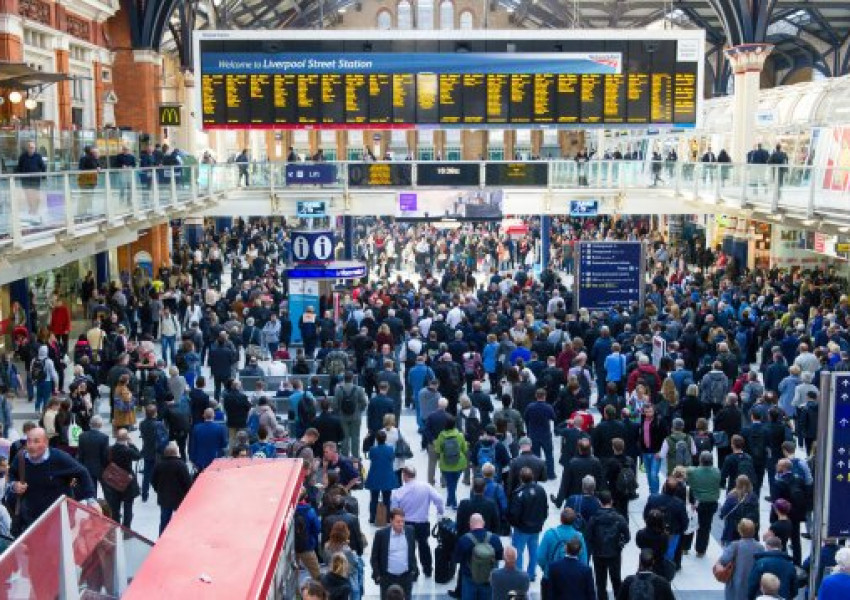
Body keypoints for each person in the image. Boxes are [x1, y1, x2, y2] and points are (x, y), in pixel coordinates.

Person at [390, 465, 444, 577]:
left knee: (409, 548)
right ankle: (428, 569)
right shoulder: (426, 487)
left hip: (407, 523)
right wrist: (440, 512)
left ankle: (413, 571)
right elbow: (438, 499)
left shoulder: (399, 492)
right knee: (424, 545)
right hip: (423, 522)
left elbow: (394, 510)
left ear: (404, 475)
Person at [586, 491, 630, 600]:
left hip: (598, 554)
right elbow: (627, 537)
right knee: (616, 580)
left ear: (599, 502)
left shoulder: (593, 519)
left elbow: (588, 536)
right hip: (614, 554)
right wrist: (620, 543)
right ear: (611, 501)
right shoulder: (619, 518)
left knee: (600, 583)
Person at [537, 508, 588, 599]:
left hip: (550, 578)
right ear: (574, 520)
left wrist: (546, 568)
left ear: (561, 519)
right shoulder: (579, 536)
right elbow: (584, 561)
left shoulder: (549, 534)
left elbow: (540, 557)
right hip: (573, 580)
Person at [508, 467, 548, 580]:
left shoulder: (519, 493)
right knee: (534, 551)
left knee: (518, 552)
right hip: (536, 527)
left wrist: (514, 524)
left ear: (521, 479)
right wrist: (541, 521)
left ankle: (520, 575)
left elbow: (515, 513)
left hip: (522, 529)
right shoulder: (541, 490)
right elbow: (545, 508)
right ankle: (531, 574)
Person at [370, 508, 418, 599]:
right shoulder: (381, 535)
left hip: (406, 577)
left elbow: (412, 552)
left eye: (402, 521)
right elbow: (374, 557)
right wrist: (378, 575)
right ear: (391, 520)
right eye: (398, 522)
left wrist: (414, 570)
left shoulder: (410, 531)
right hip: (387, 578)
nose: (401, 524)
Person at [455, 512, 504, 600]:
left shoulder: (463, 539)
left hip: (469, 578)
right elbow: (500, 557)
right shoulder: (495, 538)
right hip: (488, 578)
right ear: (483, 523)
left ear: (470, 524)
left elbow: (457, 559)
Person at [717, 518, 765, 600]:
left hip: (736, 582)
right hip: (754, 583)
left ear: (740, 530)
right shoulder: (760, 547)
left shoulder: (735, 545)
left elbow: (724, 560)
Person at [103, 428, 142, 528]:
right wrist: (132, 444)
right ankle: (126, 529)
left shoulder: (110, 449)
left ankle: (116, 526)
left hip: (113, 482)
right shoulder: (128, 450)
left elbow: (105, 462)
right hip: (127, 482)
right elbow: (138, 455)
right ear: (126, 438)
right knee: (128, 506)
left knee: (115, 507)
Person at [150, 441, 192, 534]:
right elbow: (187, 483)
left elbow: (153, 480)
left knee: (164, 521)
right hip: (179, 498)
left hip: (164, 498)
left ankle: (162, 538)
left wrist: (159, 490)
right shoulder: (181, 465)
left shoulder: (159, 465)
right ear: (175, 453)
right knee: (180, 520)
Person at [686, 450, 722, 557]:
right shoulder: (717, 472)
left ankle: (685, 548)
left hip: (696, 503)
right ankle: (700, 550)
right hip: (710, 503)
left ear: (700, 460)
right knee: (705, 527)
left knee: (691, 524)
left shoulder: (693, 471)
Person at [747, 535, 797, 600]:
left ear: (767, 546)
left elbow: (752, 584)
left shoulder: (760, 563)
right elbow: (794, 588)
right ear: (781, 547)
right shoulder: (790, 565)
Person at [365, 429, 399, 524]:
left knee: (374, 499)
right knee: (387, 499)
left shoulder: (373, 449)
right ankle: (387, 518)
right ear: (385, 439)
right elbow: (392, 458)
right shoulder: (390, 449)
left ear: (377, 439)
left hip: (375, 475)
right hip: (387, 476)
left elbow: (371, 458)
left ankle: (372, 517)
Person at [436, 415, 468, 509]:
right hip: (459, 463)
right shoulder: (460, 435)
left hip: (445, 464)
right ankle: (452, 502)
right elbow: (464, 449)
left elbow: (438, 450)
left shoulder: (441, 435)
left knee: (450, 483)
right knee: (453, 483)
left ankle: (450, 502)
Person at [333, 371, 368, 458]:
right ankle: (355, 456)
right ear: (353, 378)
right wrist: (359, 410)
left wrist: (339, 412)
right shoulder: (359, 389)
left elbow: (335, 405)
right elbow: (364, 403)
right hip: (356, 416)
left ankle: (345, 456)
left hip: (342, 416)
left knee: (345, 437)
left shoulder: (338, 389)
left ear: (344, 378)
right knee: (355, 437)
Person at [76, 414, 109, 496]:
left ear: (90, 424)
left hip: (86, 467)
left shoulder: (82, 436)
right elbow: (105, 455)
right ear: (100, 425)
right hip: (100, 468)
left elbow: (80, 453)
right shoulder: (104, 437)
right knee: (107, 491)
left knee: (91, 492)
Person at [188, 408, 228, 473]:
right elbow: (224, 444)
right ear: (214, 416)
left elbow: (192, 445)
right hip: (215, 459)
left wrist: (192, 459)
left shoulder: (196, 428)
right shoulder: (221, 428)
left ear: (203, 415)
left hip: (200, 461)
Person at [16, 140, 47, 221]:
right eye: (30, 147)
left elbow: (43, 167)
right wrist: (17, 176)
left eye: (33, 147)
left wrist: (44, 176)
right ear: (27, 148)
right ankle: (32, 209)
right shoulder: (22, 157)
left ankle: (34, 210)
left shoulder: (38, 156)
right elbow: (19, 167)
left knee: (36, 197)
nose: (31, 149)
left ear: (35, 148)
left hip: (35, 180)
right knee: (28, 197)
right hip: (25, 180)